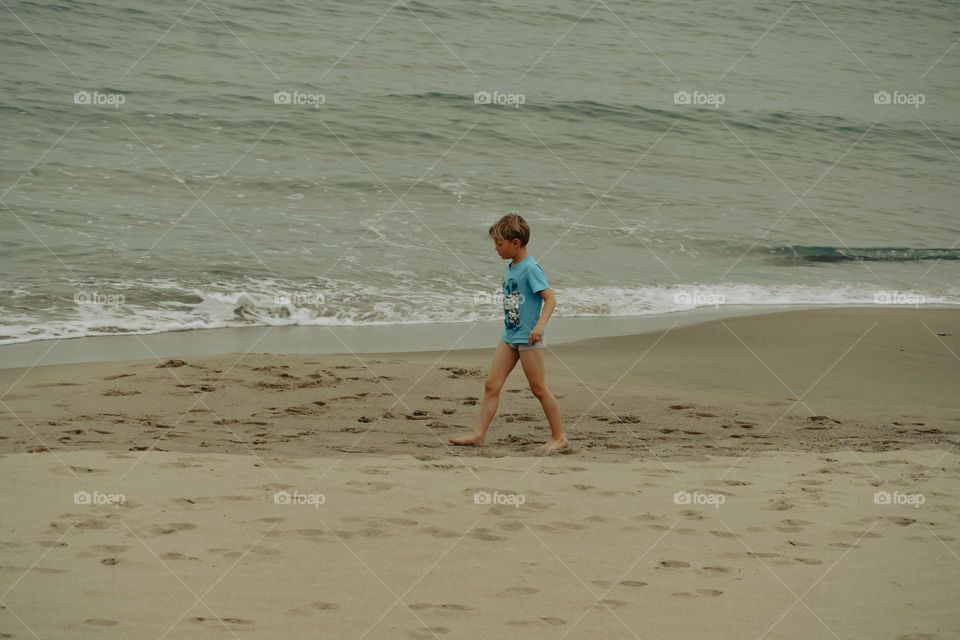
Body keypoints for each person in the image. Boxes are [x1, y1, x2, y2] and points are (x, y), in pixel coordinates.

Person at [449, 213, 569, 452]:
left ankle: (559, 438)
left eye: (499, 244)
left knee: (538, 388)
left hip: (529, 338)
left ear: (516, 243)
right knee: (491, 384)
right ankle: (478, 434)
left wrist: (539, 326)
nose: (496, 248)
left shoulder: (530, 268)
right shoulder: (511, 267)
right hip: (509, 336)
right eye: (495, 243)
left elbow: (550, 299)